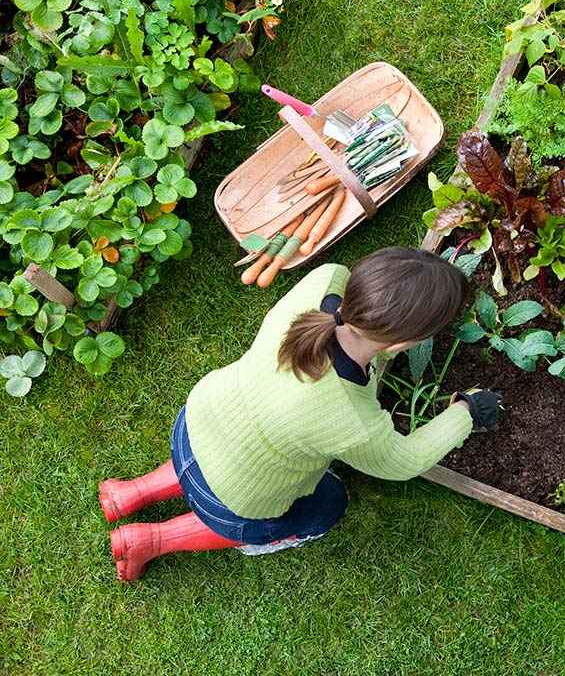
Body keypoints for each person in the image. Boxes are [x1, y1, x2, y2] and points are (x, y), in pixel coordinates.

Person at [98, 247, 499, 581]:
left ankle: (131, 493)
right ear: (405, 344)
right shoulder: (352, 419)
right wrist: (466, 411)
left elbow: (344, 280)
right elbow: (403, 460)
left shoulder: (323, 282)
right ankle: (151, 540)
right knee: (328, 505)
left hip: (196, 422)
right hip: (233, 499)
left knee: (224, 453)